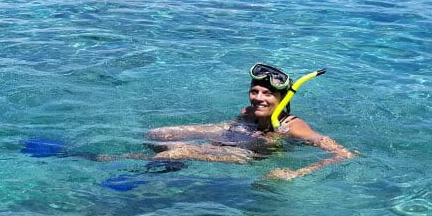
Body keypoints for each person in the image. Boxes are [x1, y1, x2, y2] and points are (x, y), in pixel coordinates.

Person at [141, 62, 356, 180]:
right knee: (158, 134)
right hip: (236, 140)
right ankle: (174, 166)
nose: (259, 98)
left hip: (252, 155)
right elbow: (229, 129)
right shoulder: (248, 112)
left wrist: (297, 173)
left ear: (281, 98)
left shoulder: (294, 126)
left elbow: (344, 154)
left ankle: (139, 176)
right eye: (255, 91)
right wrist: (214, 141)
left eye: (267, 94)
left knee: (178, 151)